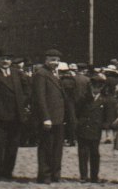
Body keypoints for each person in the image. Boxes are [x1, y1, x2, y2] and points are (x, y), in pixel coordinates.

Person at [0, 50, 30, 181]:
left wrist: (22, 102)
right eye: (2, 58)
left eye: (7, 59)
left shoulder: (17, 73)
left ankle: (8, 172)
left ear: (11, 61)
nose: (5, 61)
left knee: (13, 146)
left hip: (16, 115)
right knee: (0, 145)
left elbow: (27, 90)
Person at [33, 48, 66, 183]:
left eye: (57, 60)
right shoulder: (41, 74)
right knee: (46, 148)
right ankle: (45, 176)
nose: (55, 63)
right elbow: (40, 98)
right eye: (52, 60)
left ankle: (55, 175)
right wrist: (45, 117)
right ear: (46, 60)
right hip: (49, 119)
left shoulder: (54, 74)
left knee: (57, 148)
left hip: (58, 118)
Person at [75, 73, 107, 183]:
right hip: (84, 128)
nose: (96, 89)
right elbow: (77, 112)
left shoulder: (104, 100)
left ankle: (94, 176)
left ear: (102, 87)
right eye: (94, 86)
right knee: (83, 153)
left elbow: (106, 116)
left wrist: (104, 128)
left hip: (95, 129)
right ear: (91, 86)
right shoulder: (84, 98)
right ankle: (83, 176)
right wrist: (79, 123)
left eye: (99, 86)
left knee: (95, 153)